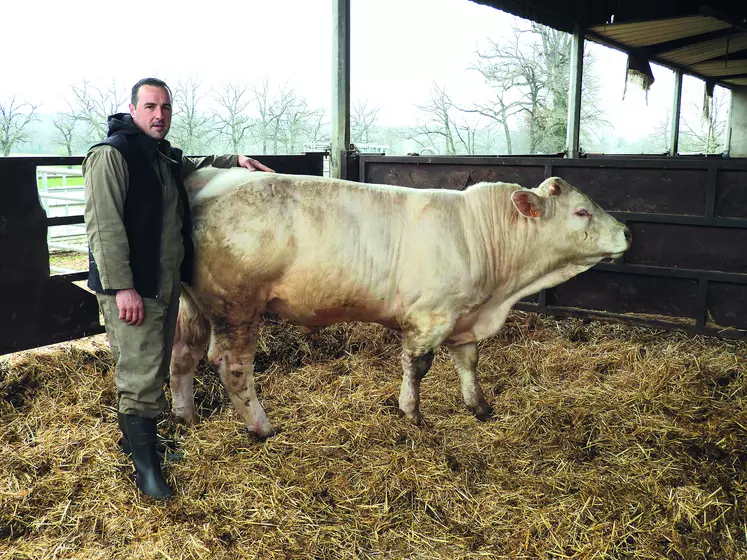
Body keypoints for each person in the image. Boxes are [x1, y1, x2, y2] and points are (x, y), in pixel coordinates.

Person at [83, 77, 274, 500]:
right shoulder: (111, 156)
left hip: (164, 284)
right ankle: (147, 474)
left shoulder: (161, 156)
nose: (159, 115)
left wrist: (234, 159)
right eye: (150, 106)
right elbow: (104, 229)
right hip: (133, 289)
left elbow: (194, 164)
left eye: (166, 108)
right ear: (132, 109)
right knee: (139, 374)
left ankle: (139, 446)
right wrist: (122, 289)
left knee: (151, 366)